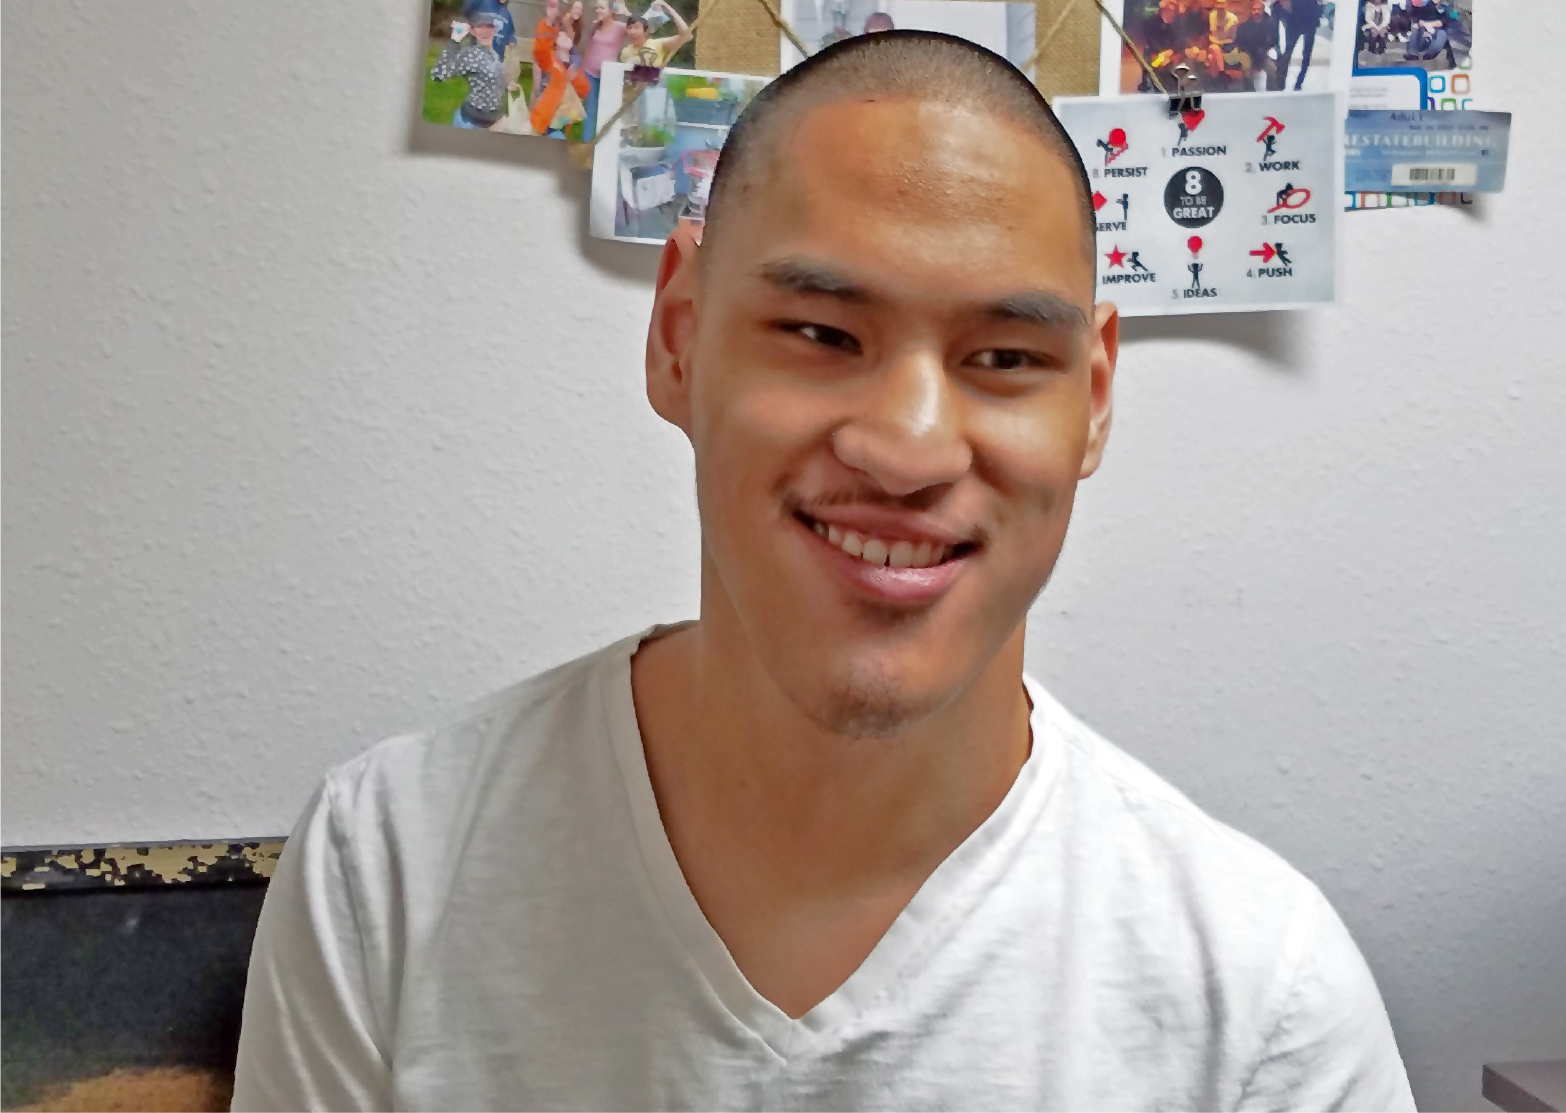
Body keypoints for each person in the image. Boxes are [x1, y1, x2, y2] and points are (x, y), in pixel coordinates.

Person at [231, 31, 1419, 1113]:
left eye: (1005, 357)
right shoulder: (388, 872)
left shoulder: (1261, 1008)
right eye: (821, 335)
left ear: (1094, 400)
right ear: (679, 335)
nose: (906, 448)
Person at [429, 11, 508, 128]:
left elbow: (493, 82)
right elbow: (438, 74)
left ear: (495, 30)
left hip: (493, 123)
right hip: (471, 123)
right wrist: (455, 41)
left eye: (489, 26)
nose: (485, 30)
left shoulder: (495, 54)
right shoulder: (470, 55)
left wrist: (507, 84)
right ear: (472, 31)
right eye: (480, 26)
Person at [580, 0, 628, 139]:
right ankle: (587, 144)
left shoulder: (619, 27)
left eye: (601, 8)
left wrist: (625, 12)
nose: (598, 10)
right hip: (590, 73)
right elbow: (587, 48)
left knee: (607, 110)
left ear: (611, 10)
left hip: (608, 76)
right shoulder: (595, 26)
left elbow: (638, 29)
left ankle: (603, 142)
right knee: (591, 109)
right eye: (597, 8)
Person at [532, 28, 590, 136]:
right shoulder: (550, 59)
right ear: (555, 41)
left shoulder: (576, 64)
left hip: (565, 116)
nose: (565, 38)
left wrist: (575, 77)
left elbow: (584, 91)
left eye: (567, 36)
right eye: (561, 36)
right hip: (548, 113)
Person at [620, 0, 693, 67]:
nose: (632, 31)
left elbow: (686, 36)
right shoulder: (625, 52)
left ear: (646, 31)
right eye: (629, 28)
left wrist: (667, 8)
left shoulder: (658, 44)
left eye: (636, 28)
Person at [1273, 0, 1322, 90]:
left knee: (1300, 54)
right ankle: (1285, 83)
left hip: (1305, 23)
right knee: (1291, 54)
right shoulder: (1279, 5)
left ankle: (1294, 83)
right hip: (1296, 24)